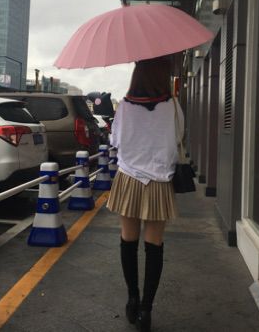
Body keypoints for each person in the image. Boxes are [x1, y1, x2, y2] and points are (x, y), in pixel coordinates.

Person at [106, 56, 184, 332]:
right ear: (162, 76)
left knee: (128, 241)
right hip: (159, 180)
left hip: (129, 178)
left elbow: (115, 141)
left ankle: (132, 298)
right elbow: (178, 139)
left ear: (137, 75)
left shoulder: (124, 106)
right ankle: (146, 309)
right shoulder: (172, 106)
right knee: (154, 246)